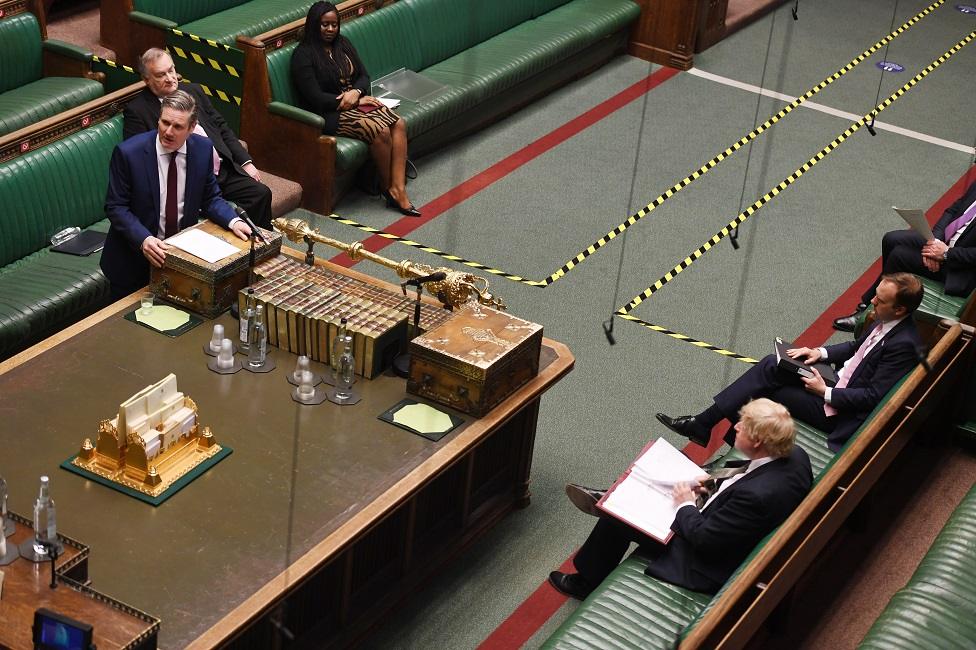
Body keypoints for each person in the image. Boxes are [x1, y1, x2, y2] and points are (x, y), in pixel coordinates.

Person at [550, 398, 812, 598]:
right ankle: (613, 497)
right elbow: (747, 478)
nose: (737, 426)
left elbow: (704, 539)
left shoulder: (756, 497)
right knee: (683, 471)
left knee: (617, 521)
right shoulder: (796, 456)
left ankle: (586, 580)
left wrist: (686, 504)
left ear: (757, 442)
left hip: (702, 562)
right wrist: (713, 484)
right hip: (728, 525)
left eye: (743, 427)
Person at [658, 272, 923, 452]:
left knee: (767, 389)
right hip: (837, 382)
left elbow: (873, 397)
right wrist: (819, 352)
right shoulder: (888, 321)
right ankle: (708, 427)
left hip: (839, 412)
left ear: (900, 309)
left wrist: (825, 392)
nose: (872, 301)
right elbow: (856, 347)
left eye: (880, 300)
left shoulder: (903, 345)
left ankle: (714, 434)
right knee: (774, 365)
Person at [100, 90, 251, 299]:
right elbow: (116, 207)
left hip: (181, 258)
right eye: (164, 122)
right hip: (133, 261)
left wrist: (233, 221)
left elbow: (210, 198)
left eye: (178, 126)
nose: (168, 132)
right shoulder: (129, 153)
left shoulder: (202, 149)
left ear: (192, 128)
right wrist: (144, 239)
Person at [291, 1, 420, 216]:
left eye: (334, 24)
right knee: (380, 130)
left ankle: (399, 188)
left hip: (356, 103)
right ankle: (387, 187)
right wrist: (352, 101)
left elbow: (363, 76)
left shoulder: (343, 44)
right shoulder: (303, 55)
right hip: (327, 114)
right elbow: (315, 98)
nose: (331, 29)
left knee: (399, 123)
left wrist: (357, 94)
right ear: (314, 25)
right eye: (325, 25)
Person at [124, 48, 273, 229]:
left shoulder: (194, 91)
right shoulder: (138, 111)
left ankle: (257, 246)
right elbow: (140, 156)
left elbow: (221, 127)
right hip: (186, 177)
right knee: (222, 216)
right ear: (146, 80)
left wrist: (245, 161)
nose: (170, 78)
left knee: (261, 193)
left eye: (171, 70)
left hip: (220, 169)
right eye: (161, 75)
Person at [834, 179, 976, 332]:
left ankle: (873, 313)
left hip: (963, 270)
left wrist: (947, 254)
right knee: (892, 239)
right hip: (945, 245)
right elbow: (953, 211)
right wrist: (934, 242)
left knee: (899, 256)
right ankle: (871, 302)